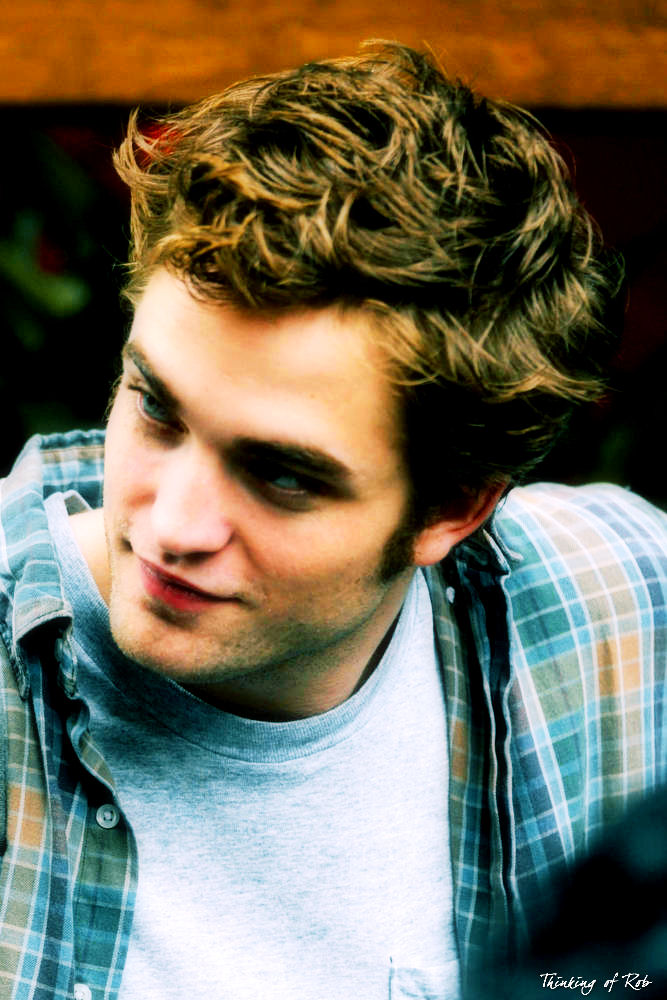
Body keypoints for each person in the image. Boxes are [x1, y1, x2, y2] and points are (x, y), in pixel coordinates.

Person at [0, 41, 665, 1000]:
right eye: (156, 408)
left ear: (452, 507)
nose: (174, 525)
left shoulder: (622, 607)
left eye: (280, 475)